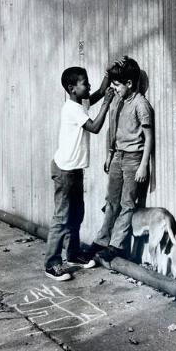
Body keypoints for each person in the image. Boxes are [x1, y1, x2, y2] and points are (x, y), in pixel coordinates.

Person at [44, 65, 114, 281]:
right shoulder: (72, 109)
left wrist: (108, 75)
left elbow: (99, 92)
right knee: (62, 218)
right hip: (64, 171)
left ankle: (73, 255)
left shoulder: (79, 103)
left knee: (76, 214)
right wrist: (107, 105)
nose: (89, 85)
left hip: (74, 170)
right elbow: (94, 127)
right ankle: (51, 264)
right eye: (85, 83)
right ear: (72, 88)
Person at [90, 56, 154, 262]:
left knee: (127, 203)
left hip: (134, 159)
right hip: (118, 155)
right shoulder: (117, 101)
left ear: (129, 83)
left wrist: (144, 165)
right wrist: (110, 155)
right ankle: (102, 239)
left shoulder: (141, 104)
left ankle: (116, 245)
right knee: (111, 201)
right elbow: (113, 130)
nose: (114, 88)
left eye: (117, 85)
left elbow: (149, 138)